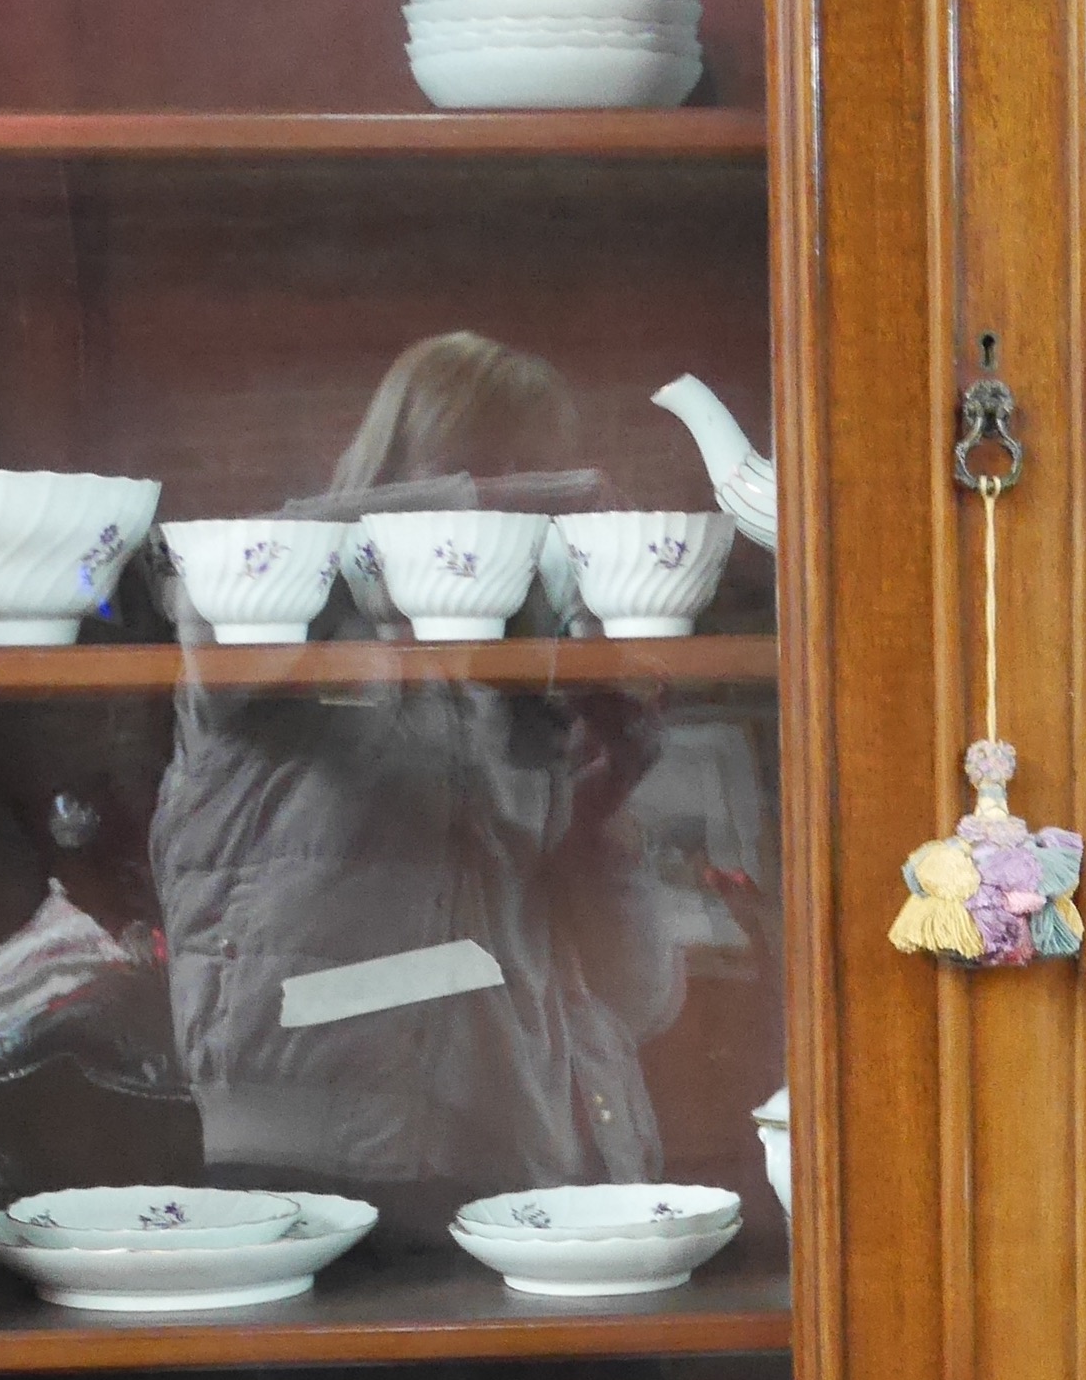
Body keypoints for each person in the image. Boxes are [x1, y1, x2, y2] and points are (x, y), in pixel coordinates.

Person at [146, 332, 691, 1231]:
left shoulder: (550, 681)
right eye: (476, 467)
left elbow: (643, 999)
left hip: (536, 1168)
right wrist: (490, 506)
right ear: (392, 469)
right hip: (307, 1170)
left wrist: (601, 825)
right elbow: (221, 576)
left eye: (533, 474)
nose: (508, 508)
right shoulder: (281, 613)